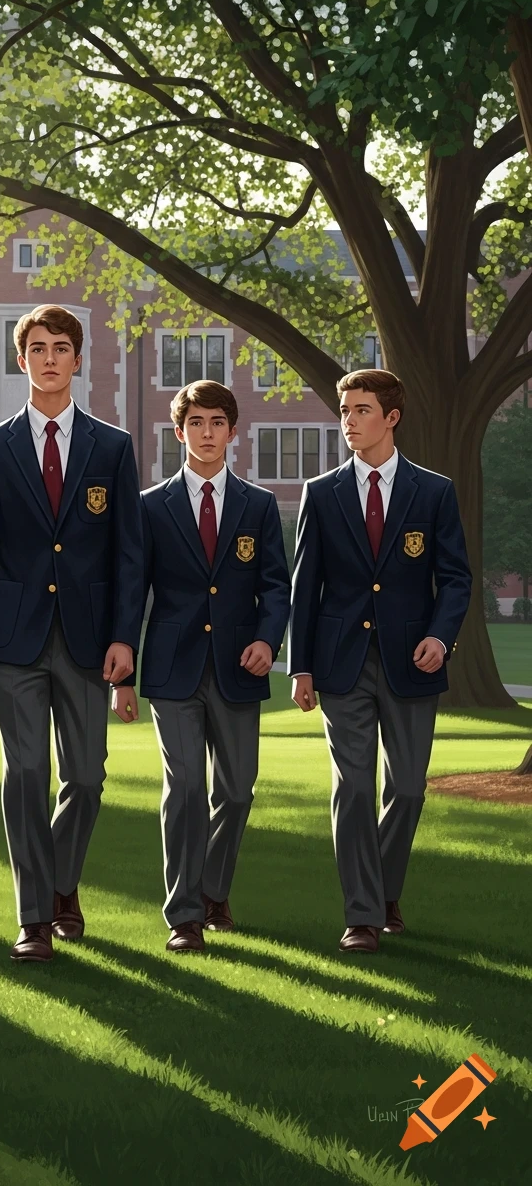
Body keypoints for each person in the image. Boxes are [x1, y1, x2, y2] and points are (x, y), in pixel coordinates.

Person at [0, 304, 143, 962]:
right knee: (26, 772)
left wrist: (125, 637)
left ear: (78, 359)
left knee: (86, 778)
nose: (49, 358)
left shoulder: (113, 448)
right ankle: (34, 917)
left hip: (90, 640)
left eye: (60, 347)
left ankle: (62, 880)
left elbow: (129, 553)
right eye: (37, 347)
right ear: (21, 360)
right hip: (13, 640)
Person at [289, 369, 471, 954]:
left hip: (413, 662)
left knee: (410, 789)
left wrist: (440, 638)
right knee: (352, 788)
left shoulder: (434, 492)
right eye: (344, 410)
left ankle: (385, 890)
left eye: (361, 410)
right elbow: (305, 587)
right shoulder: (321, 493)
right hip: (340, 663)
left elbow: (456, 578)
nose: (348, 420)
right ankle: (363, 916)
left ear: (391, 418)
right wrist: (301, 666)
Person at [113, 380, 290, 952]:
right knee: (186, 787)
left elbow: (276, 586)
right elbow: (131, 592)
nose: (206, 433)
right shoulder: (149, 506)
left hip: (240, 667)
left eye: (216, 423)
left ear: (232, 432)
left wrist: (268, 641)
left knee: (236, 792)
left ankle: (214, 890)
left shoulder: (258, 506)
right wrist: (123, 676)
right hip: (173, 668)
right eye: (196, 423)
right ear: (179, 431)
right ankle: (185, 915)